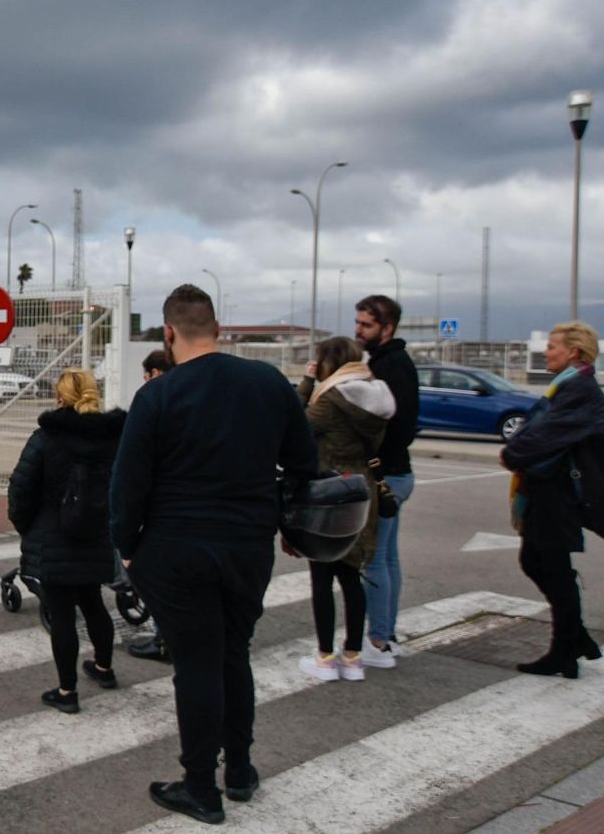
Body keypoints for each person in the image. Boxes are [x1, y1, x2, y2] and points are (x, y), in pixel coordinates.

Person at [110, 284, 316, 825]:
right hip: (248, 546)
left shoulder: (158, 395)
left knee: (197, 664)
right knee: (233, 654)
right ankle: (240, 769)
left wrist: (127, 548)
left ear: (169, 333)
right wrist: (284, 520)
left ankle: (200, 786)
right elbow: (304, 464)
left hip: (177, 548)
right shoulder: (269, 383)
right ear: (217, 328)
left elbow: (128, 485)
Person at [501, 321, 604, 678]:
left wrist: (512, 454)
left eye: (552, 346)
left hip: (559, 494)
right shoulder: (568, 385)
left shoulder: (578, 389)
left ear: (573, 351)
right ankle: (574, 639)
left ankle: (565, 650)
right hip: (548, 489)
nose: (546, 352)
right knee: (537, 561)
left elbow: (543, 435)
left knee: (551, 567)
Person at [10, 369, 125, 713]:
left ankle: (67, 691)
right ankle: (103, 668)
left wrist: (25, 526)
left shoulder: (45, 437)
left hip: (54, 535)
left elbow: (21, 488)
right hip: (96, 533)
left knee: (61, 615)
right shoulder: (112, 438)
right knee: (93, 602)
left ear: (60, 398)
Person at [290, 337, 393, 683]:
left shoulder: (331, 398)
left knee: (322, 576)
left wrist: (307, 383)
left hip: (329, 490)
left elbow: (297, 427)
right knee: (351, 576)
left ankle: (324, 657)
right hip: (361, 490)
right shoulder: (377, 397)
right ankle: (353, 657)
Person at [353, 294, 419, 667]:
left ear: (387, 328)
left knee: (375, 560)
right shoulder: (394, 361)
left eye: (366, 325)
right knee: (388, 558)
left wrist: (374, 458)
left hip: (386, 475)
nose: (358, 330)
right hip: (397, 472)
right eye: (358, 323)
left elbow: (397, 425)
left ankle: (378, 642)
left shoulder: (389, 365)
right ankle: (387, 636)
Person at [125, 348, 176, 664]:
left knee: (161, 577)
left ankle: (164, 640)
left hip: (163, 506)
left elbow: (135, 465)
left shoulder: (153, 400)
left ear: (155, 373)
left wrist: (126, 535)